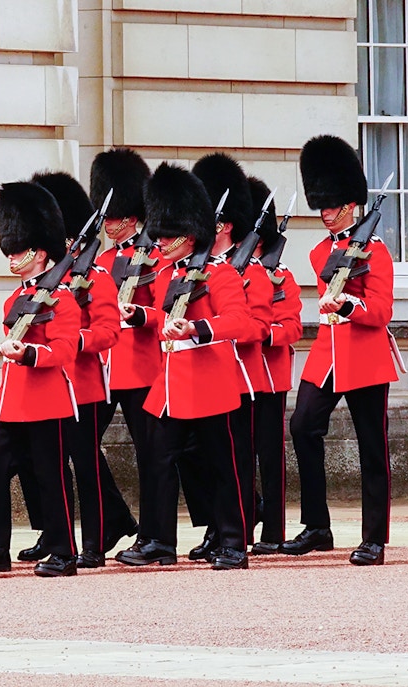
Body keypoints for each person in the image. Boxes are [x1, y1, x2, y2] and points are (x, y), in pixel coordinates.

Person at [115, 162, 253, 571]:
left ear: (189, 236)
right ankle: (158, 540)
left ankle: (232, 542)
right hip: (171, 384)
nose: (159, 243)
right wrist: (140, 317)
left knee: (223, 468)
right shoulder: (165, 275)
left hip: (209, 382)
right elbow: (163, 320)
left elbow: (240, 322)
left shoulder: (222, 273)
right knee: (156, 461)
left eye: (167, 236)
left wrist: (198, 327)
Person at [283, 135, 398, 566]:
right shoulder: (320, 252)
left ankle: (374, 538)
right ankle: (317, 525)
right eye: (322, 206)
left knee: (373, 447)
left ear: (350, 204)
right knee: (302, 426)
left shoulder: (378, 253)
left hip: (365, 354)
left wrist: (350, 302)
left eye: (331, 206)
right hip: (328, 353)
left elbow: (382, 310)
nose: (325, 213)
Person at [0, 181, 81, 578]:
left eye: (20, 251)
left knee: (50, 479)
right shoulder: (14, 300)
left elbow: (64, 350)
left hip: (46, 401)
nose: (12, 258)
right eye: (9, 251)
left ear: (41, 251)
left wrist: (30, 353)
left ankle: (63, 552)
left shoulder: (62, 298)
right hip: (9, 403)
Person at [29, 170, 135, 568]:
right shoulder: (46, 282)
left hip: (85, 384)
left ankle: (93, 541)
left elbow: (108, 333)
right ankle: (58, 536)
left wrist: (76, 341)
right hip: (50, 383)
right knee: (50, 465)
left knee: (86, 464)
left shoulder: (96, 277)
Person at [180, 153, 269, 563]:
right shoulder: (191, 270)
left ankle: (235, 535)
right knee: (194, 457)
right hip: (197, 374)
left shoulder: (245, 271)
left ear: (223, 223)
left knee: (230, 461)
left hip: (239, 376)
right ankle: (217, 527)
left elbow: (253, 326)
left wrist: (207, 330)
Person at [91, 148, 160, 555]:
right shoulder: (101, 259)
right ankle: (112, 518)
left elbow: (165, 307)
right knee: (78, 444)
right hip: (105, 367)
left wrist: (140, 316)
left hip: (140, 365)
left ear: (132, 216)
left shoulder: (150, 256)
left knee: (151, 453)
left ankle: (152, 532)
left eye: (113, 217)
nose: (108, 223)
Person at [245, 177, 303, 554]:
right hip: (239, 376)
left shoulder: (282, 277)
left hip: (270, 376)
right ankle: (243, 518)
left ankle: (274, 531)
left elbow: (293, 326)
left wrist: (264, 333)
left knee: (270, 456)